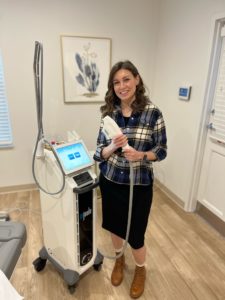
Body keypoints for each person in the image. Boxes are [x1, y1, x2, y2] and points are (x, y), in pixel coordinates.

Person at [93, 60, 167, 299]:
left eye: (126, 79)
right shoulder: (109, 114)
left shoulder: (153, 112)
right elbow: (98, 153)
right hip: (111, 180)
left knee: (136, 234)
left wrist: (142, 155)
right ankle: (119, 259)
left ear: (137, 79)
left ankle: (141, 270)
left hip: (140, 185)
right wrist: (112, 145)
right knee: (114, 226)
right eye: (116, 82)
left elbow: (162, 150)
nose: (122, 86)